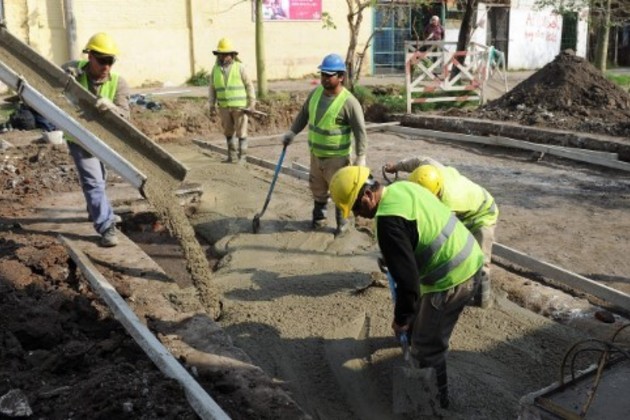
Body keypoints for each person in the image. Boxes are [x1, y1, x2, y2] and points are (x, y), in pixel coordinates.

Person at [329, 166, 484, 409]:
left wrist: (401, 319)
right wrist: (395, 255)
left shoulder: (388, 222)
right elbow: (416, 230)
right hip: (469, 254)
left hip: (454, 277)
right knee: (417, 313)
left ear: (368, 195)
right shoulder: (402, 188)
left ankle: (436, 403)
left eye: (356, 207)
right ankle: (416, 334)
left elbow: (409, 284)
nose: (358, 215)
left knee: (426, 346)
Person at [384, 157, 498, 307]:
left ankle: (482, 301)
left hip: (483, 214)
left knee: (478, 260)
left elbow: (438, 236)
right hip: (466, 209)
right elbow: (417, 160)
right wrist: (396, 166)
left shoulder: (449, 203)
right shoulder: (430, 169)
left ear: (435, 194)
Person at [282, 53, 368, 236]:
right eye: (323, 74)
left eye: (329, 75)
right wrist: (292, 132)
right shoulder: (315, 94)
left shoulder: (349, 102)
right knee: (318, 190)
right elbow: (304, 115)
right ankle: (318, 221)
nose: (325, 79)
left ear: (341, 77)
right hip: (316, 155)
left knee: (340, 192)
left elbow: (360, 131)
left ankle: (342, 226)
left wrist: (361, 156)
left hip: (337, 159)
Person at [62, 32, 131, 247]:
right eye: (102, 61)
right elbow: (48, 77)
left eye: (110, 61)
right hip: (79, 137)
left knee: (99, 178)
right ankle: (106, 226)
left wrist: (113, 108)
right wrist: (64, 76)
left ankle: (95, 210)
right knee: (93, 182)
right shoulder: (74, 71)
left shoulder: (118, 83)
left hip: (103, 140)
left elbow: (125, 115)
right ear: (90, 56)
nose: (106, 66)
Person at [208, 38, 256, 164]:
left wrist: (252, 104)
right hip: (224, 107)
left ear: (232, 55)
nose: (223, 57)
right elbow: (212, 88)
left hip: (239, 107)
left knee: (241, 132)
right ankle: (231, 156)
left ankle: (243, 158)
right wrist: (211, 105)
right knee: (228, 132)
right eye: (221, 54)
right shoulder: (215, 69)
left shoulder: (240, 67)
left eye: (226, 54)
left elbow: (249, 85)